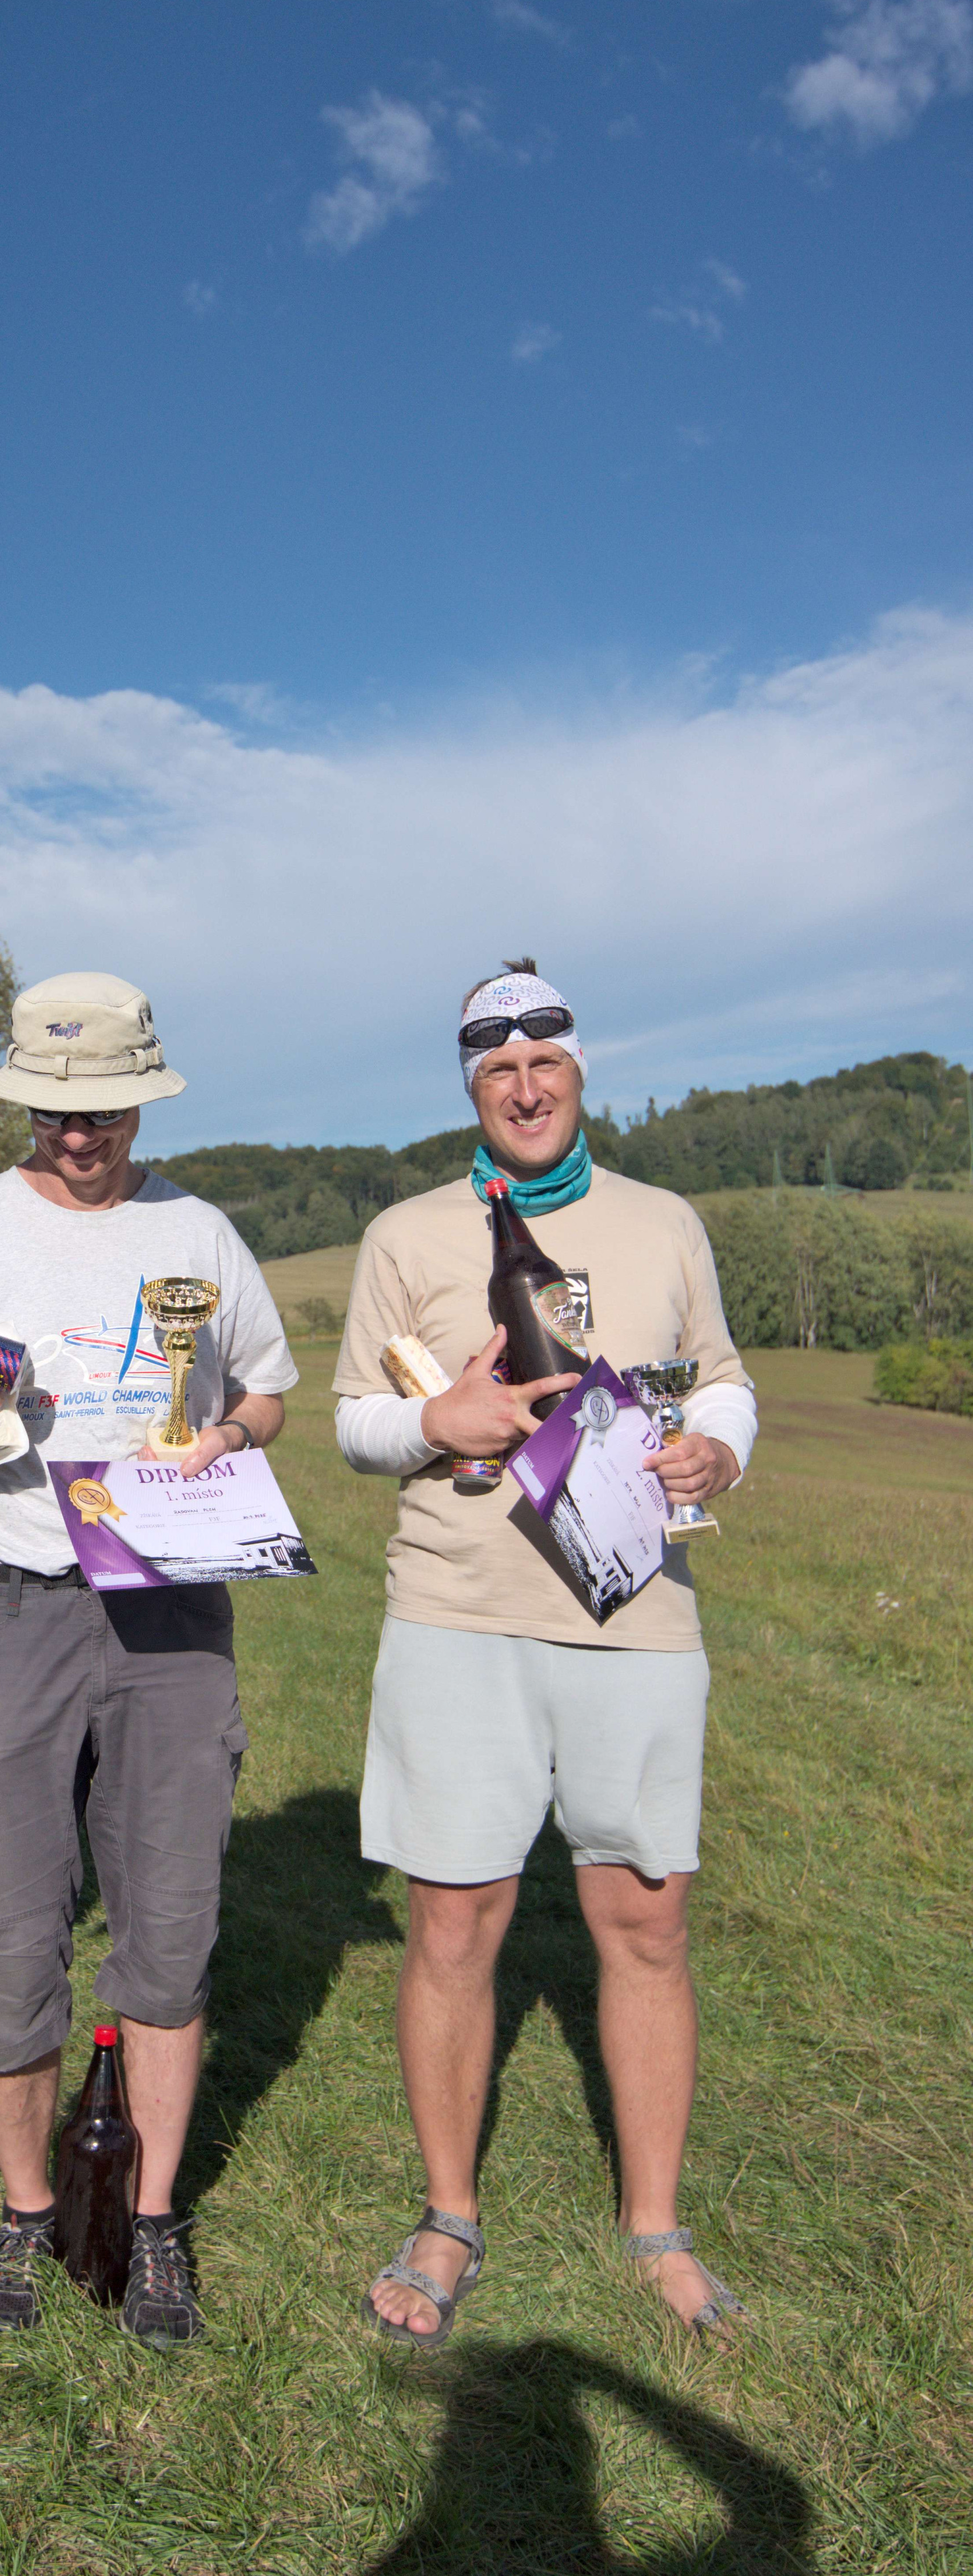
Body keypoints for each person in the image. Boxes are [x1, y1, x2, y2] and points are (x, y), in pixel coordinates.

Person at [0, 972, 298, 2347]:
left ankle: (150, 2221)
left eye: (102, 1107)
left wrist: (228, 1438)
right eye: (55, 1110)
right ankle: (26, 2205)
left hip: (169, 1610)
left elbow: (267, 1389)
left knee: (168, 1921)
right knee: (3, 1927)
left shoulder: (200, 1231)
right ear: (24, 1103)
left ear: (141, 1101)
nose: (78, 1132)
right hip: (6, 1606)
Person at [333, 962, 756, 2348]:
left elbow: (723, 1376)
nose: (524, 1088)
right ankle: (448, 2216)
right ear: (472, 1087)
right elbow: (351, 1418)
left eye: (546, 1064)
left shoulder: (664, 1220)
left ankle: (657, 2226)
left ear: (579, 1072)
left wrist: (721, 1448)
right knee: (455, 1922)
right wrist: (433, 1423)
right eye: (497, 1070)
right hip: (458, 1612)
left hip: (637, 1619)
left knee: (645, 1918)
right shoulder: (406, 1233)